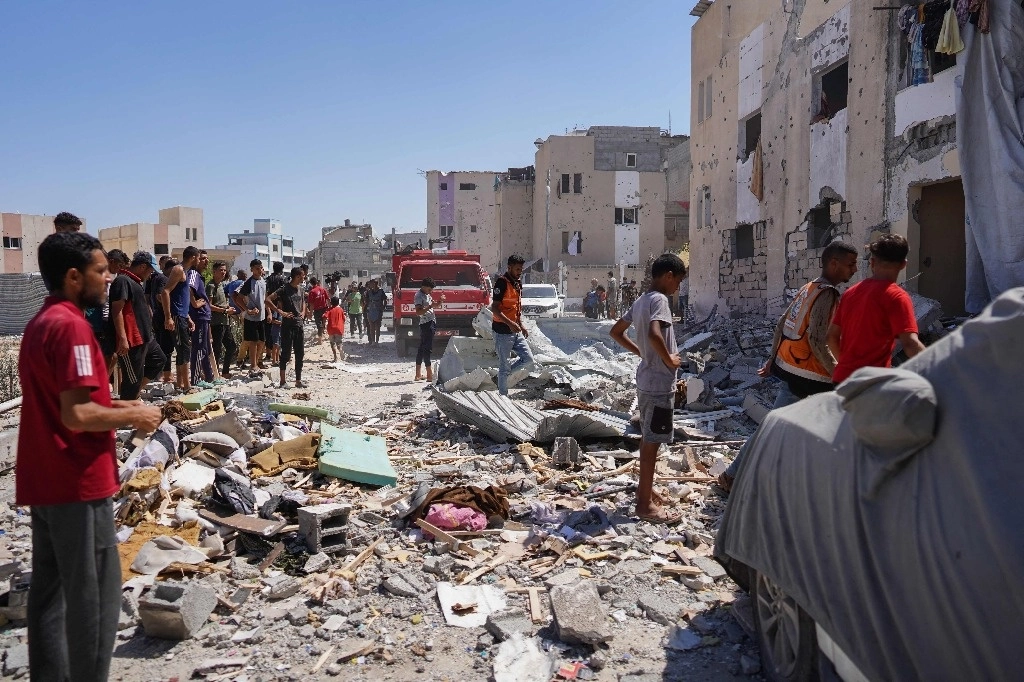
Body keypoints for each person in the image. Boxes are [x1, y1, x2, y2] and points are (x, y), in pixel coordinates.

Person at [19, 231, 161, 682]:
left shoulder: (42, 322)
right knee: (94, 599)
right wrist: (134, 414)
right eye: (101, 271)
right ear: (74, 276)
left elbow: (69, 401)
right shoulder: (74, 327)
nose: (109, 277)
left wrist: (126, 407)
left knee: (50, 595)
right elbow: (78, 414)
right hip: (77, 481)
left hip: (45, 478)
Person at [717, 241, 859, 492]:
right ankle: (733, 476)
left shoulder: (809, 288)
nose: (855, 270)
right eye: (850, 264)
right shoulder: (827, 294)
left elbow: (783, 323)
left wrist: (774, 359)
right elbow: (817, 338)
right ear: (833, 263)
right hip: (810, 376)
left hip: (792, 367)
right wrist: (838, 373)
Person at [609, 253, 687, 524]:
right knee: (653, 443)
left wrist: (641, 353)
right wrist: (669, 359)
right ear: (668, 276)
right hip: (658, 384)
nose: (678, 287)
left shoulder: (641, 300)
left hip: (645, 380)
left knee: (647, 439)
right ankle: (644, 505)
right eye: (678, 281)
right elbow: (655, 334)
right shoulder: (660, 300)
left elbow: (616, 332)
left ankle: (645, 488)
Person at [827, 234, 926, 383]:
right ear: (903, 264)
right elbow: (910, 344)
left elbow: (831, 337)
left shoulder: (850, 293)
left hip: (843, 380)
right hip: (871, 385)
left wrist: (848, 367)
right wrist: (938, 367)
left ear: (872, 263)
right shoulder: (897, 297)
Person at [110, 251, 166, 400]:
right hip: (132, 341)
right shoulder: (122, 280)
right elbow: (117, 311)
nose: (151, 274)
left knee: (159, 360)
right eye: (150, 270)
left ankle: (134, 396)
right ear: (142, 267)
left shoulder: (135, 282)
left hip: (146, 338)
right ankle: (126, 414)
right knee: (132, 380)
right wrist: (123, 339)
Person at [491, 254, 535, 396]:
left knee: (528, 359)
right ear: (509, 267)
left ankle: (501, 376)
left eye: (521, 269)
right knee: (504, 366)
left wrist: (520, 325)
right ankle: (503, 397)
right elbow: (495, 309)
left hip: (515, 330)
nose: (520, 271)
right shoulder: (501, 283)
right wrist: (510, 324)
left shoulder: (517, 283)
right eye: (517, 269)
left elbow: (516, 308)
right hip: (502, 331)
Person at [161, 246, 199, 391]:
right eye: (199, 257)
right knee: (183, 349)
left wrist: (188, 317)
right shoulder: (179, 270)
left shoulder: (187, 272)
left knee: (183, 349)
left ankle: (182, 384)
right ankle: (186, 385)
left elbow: (180, 297)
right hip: (176, 316)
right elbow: (165, 292)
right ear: (193, 257)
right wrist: (168, 317)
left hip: (182, 315)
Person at [266, 267, 307, 388]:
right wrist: (280, 312)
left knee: (300, 353)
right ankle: (282, 381)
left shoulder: (301, 289)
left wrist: (303, 312)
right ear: (297, 276)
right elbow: (267, 299)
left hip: (299, 325)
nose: (304, 277)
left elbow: (303, 302)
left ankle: (298, 381)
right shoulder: (284, 289)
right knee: (286, 354)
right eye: (302, 275)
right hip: (287, 326)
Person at [234, 259, 268, 373]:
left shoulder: (263, 281)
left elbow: (265, 298)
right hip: (251, 318)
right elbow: (238, 298)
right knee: (253, 341)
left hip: (262, 316)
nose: (259, 270)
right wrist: (247, 310)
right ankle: (253, 365)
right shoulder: (249, 283)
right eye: (256, 268)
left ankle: (257, 361)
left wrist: (268, 312)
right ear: (252, 269)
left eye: (260, 267)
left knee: (262, 341)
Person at [188, 249, 214, 386]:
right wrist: (194, 303)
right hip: (198, 317)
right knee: (198, 349)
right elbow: (189, 287)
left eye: (206, 258)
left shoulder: (199, 276)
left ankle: (209, 377)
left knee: (205, 349)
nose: (206, 261)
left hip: (204, 317)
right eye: (202, 258)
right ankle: (195, 379)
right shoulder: (193, 273)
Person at [209, 261, 238, 380]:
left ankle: (225, 371)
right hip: (216, 323)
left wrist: (228, 309)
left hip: (225, 322)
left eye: (224, 270)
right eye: (221, 270)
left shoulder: (222, 285)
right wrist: (224, 311)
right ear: (214, 271)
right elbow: (208, 305)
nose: (223, 272)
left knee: (231, 346)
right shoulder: (211, 286)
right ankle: (214, 374)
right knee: (216, 349)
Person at [148, 256, 174, 383]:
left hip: (157, 315)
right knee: (166, 347)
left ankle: (161, 374)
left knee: (161, 345)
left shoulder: (155, 278)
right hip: (163, 316)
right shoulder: (163, 279)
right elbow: (160, 296)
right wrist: (169, 310)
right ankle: (166, 375)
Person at [414, 277, 442, 381]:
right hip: (426, 324)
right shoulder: (419, 296)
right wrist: (430, 306)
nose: (431, 291)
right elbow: (418, 312)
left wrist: (440, 301)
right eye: (429, 289)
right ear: (424, 287)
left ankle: (418, 374)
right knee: (427, 349)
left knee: (422, 348)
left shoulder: (427, 295)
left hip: (430, 322)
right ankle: (429, 375)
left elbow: (435, 306)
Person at [363, 279, 387, 346]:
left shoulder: (381, 291)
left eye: (371, 284)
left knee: (377, 326)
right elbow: (366, 300)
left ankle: (377, 341)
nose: (370, 285)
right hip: (370, 310)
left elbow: (385, 300)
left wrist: (383, 307)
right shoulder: (369, 292)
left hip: (378, 310)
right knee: (371, 326)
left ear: (374, 284)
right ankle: (373, 341)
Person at [307, 277, 330, 344]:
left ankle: (320, 339)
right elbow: (328, 299)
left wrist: (310, 313)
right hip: (324, 308)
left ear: (311, 283)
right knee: (323, 323)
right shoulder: (323, 289)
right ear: (317, 282)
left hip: (317, 310)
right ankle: (322, 335)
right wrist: (329, 308)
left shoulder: (312, 292)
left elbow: (311, 304)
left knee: (319, 324)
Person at [325, 295, 346, 362]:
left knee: (332, 343)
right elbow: (344, 319)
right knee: (339, 343)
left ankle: (335, 357)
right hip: (339, 328)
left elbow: (324, 316)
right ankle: (340, 350)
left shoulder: (329, 309)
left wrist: (323, 325)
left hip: (331, 328)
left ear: (331, 303)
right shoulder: (340, 309)